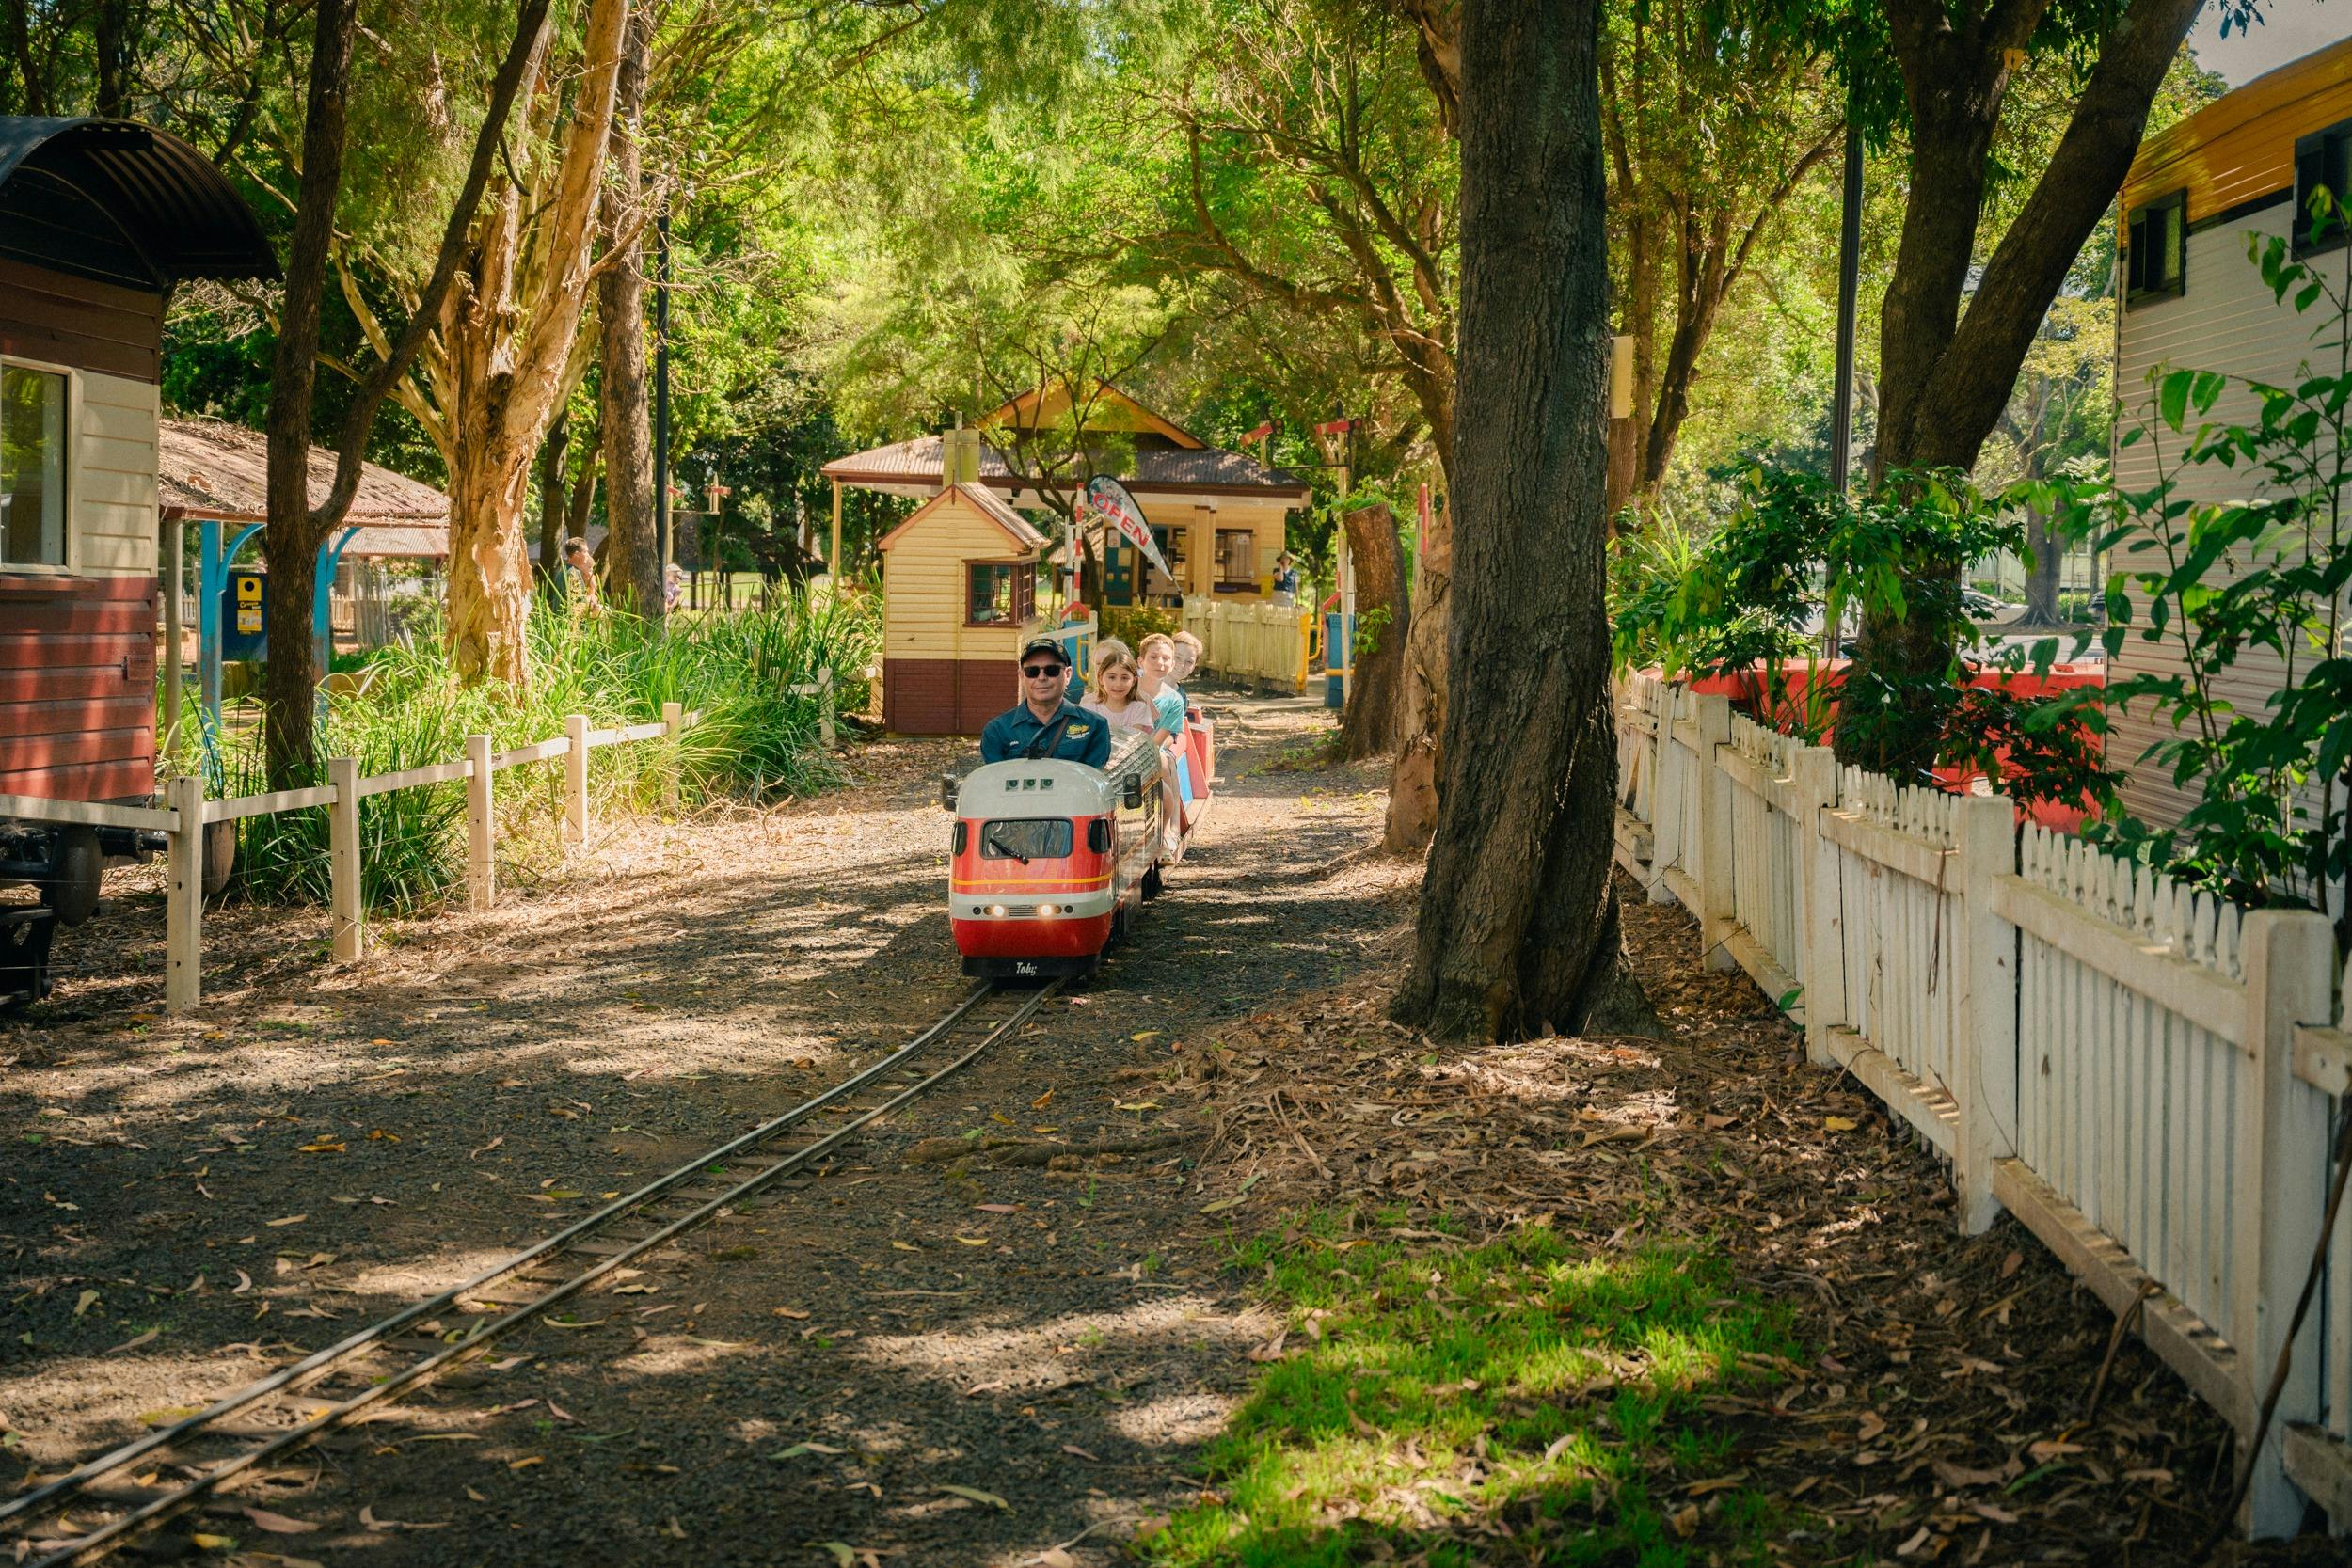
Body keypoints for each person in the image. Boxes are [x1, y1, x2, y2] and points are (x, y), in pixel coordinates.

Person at [978, 638, 1112, 768]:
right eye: (1032, 672)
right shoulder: (997, 731)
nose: (1041, 677)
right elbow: (996, 783)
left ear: (1068, 675)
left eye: (1051, 670)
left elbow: (1092, 783)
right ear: (1021, 676)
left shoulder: (1095, 726)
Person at [1081, 640, 1156, 732]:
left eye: (1107, 661)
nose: (1102, 667)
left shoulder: (1142, 701)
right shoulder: (1088, 702)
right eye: (1098, 663)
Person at [564, 537, 603, 617]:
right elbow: (577, 604)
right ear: (577, 554)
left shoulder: (569, 571)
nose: (588, 555)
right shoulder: (573, 573)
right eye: (585, 552)